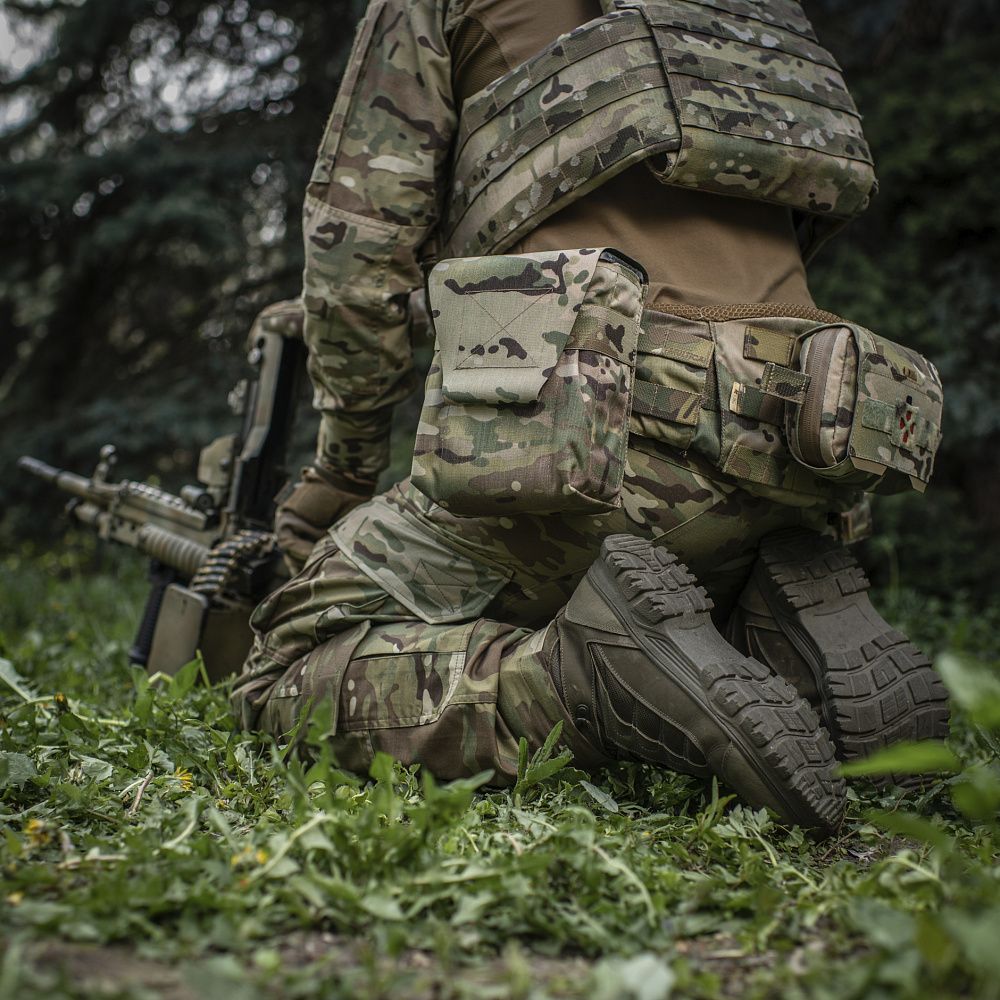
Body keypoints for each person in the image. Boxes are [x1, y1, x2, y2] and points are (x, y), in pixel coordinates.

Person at [231, 0, 949, 833]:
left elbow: (357, 256)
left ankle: (576, 679)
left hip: (613, 438)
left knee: (282, 671)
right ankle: (769, 632)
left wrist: (346, 468)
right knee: (642, 582)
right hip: (813, 441)